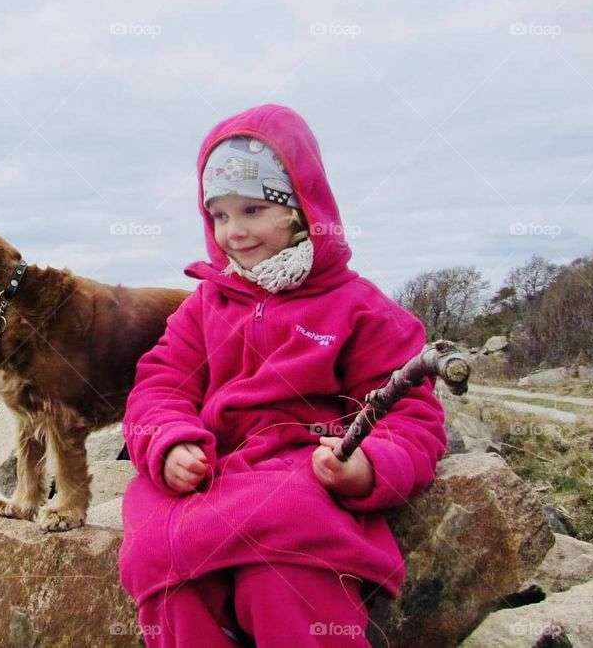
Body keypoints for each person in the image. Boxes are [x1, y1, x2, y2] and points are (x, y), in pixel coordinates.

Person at [118, 104, 447, 647]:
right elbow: (158, 386)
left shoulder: (359, 308)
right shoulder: (204, 306)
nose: (234, 232)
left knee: (287, 576)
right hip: (211, 473)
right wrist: (170, 444)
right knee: (165, 567)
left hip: (302, 475)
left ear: (300, 209)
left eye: (251, 209)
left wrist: (367, 466)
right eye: (219, 216)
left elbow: (411, 415)